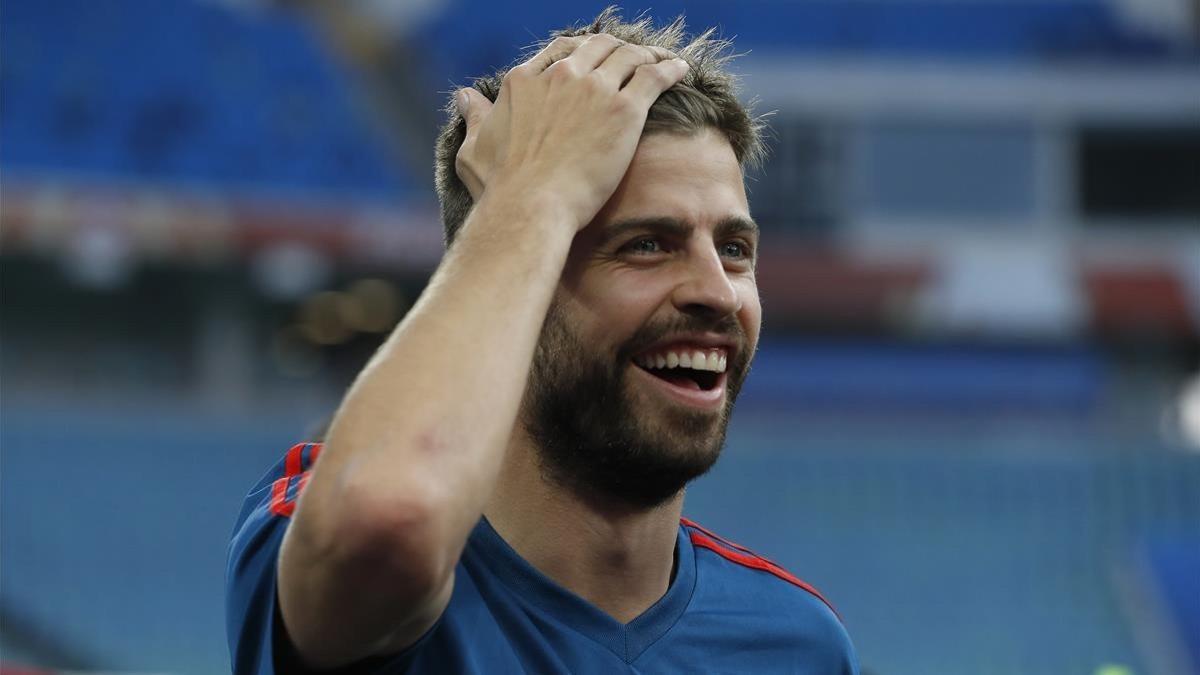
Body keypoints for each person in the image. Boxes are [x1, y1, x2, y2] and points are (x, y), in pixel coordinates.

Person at [226, 8, 859, 673]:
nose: (718, 291)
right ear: (519, 285)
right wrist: (534, 197)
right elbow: (393, 520)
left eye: (734, 249)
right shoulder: (317, 529)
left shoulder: (797, 644)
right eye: (646, 244)